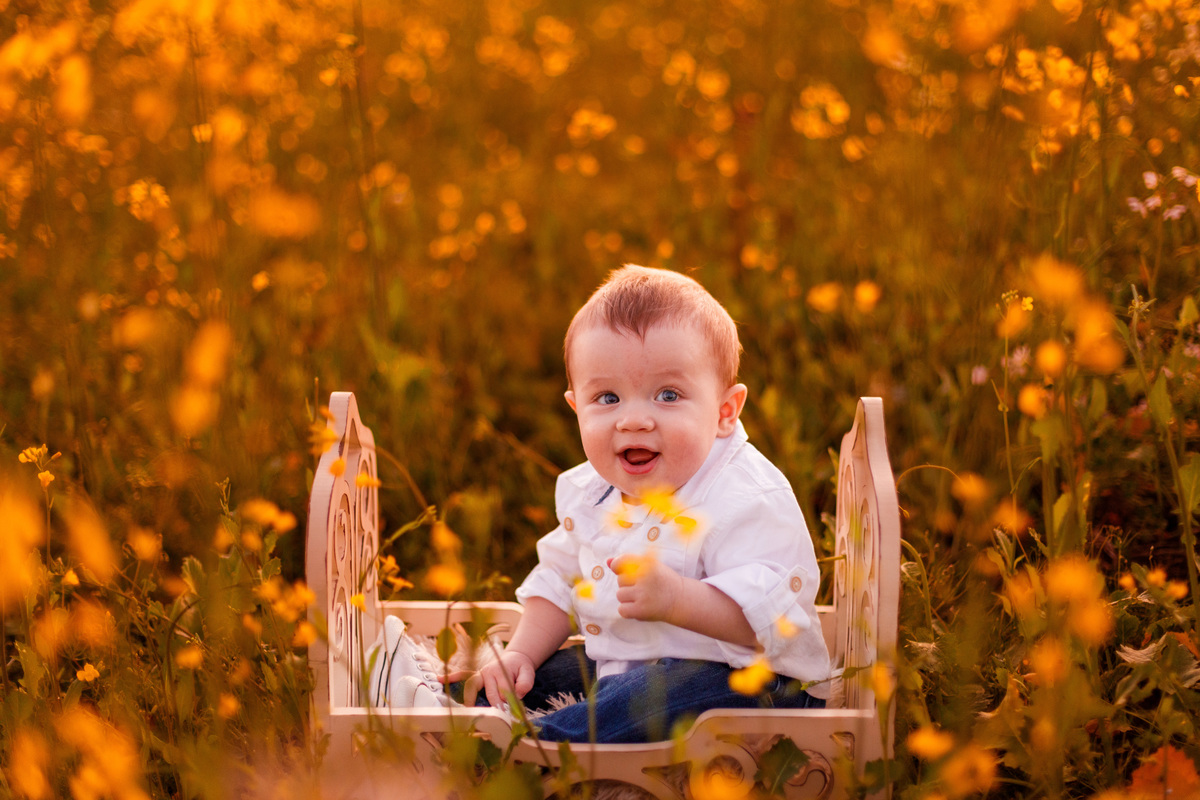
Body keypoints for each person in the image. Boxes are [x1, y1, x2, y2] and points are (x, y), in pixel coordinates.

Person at [449, 264, 831, 743]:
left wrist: (677, 599)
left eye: (667, 395)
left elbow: (772, 620)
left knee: (641, 698)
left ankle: (531, 750)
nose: (633, 420)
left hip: (753, 682)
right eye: (607, 397)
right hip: (629, 664)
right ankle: (477, 714)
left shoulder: (745, 494)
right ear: (576, 409)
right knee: (532, 680)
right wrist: (522, 653)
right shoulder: (592, 491)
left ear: (724, 411)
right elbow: (560, 581)